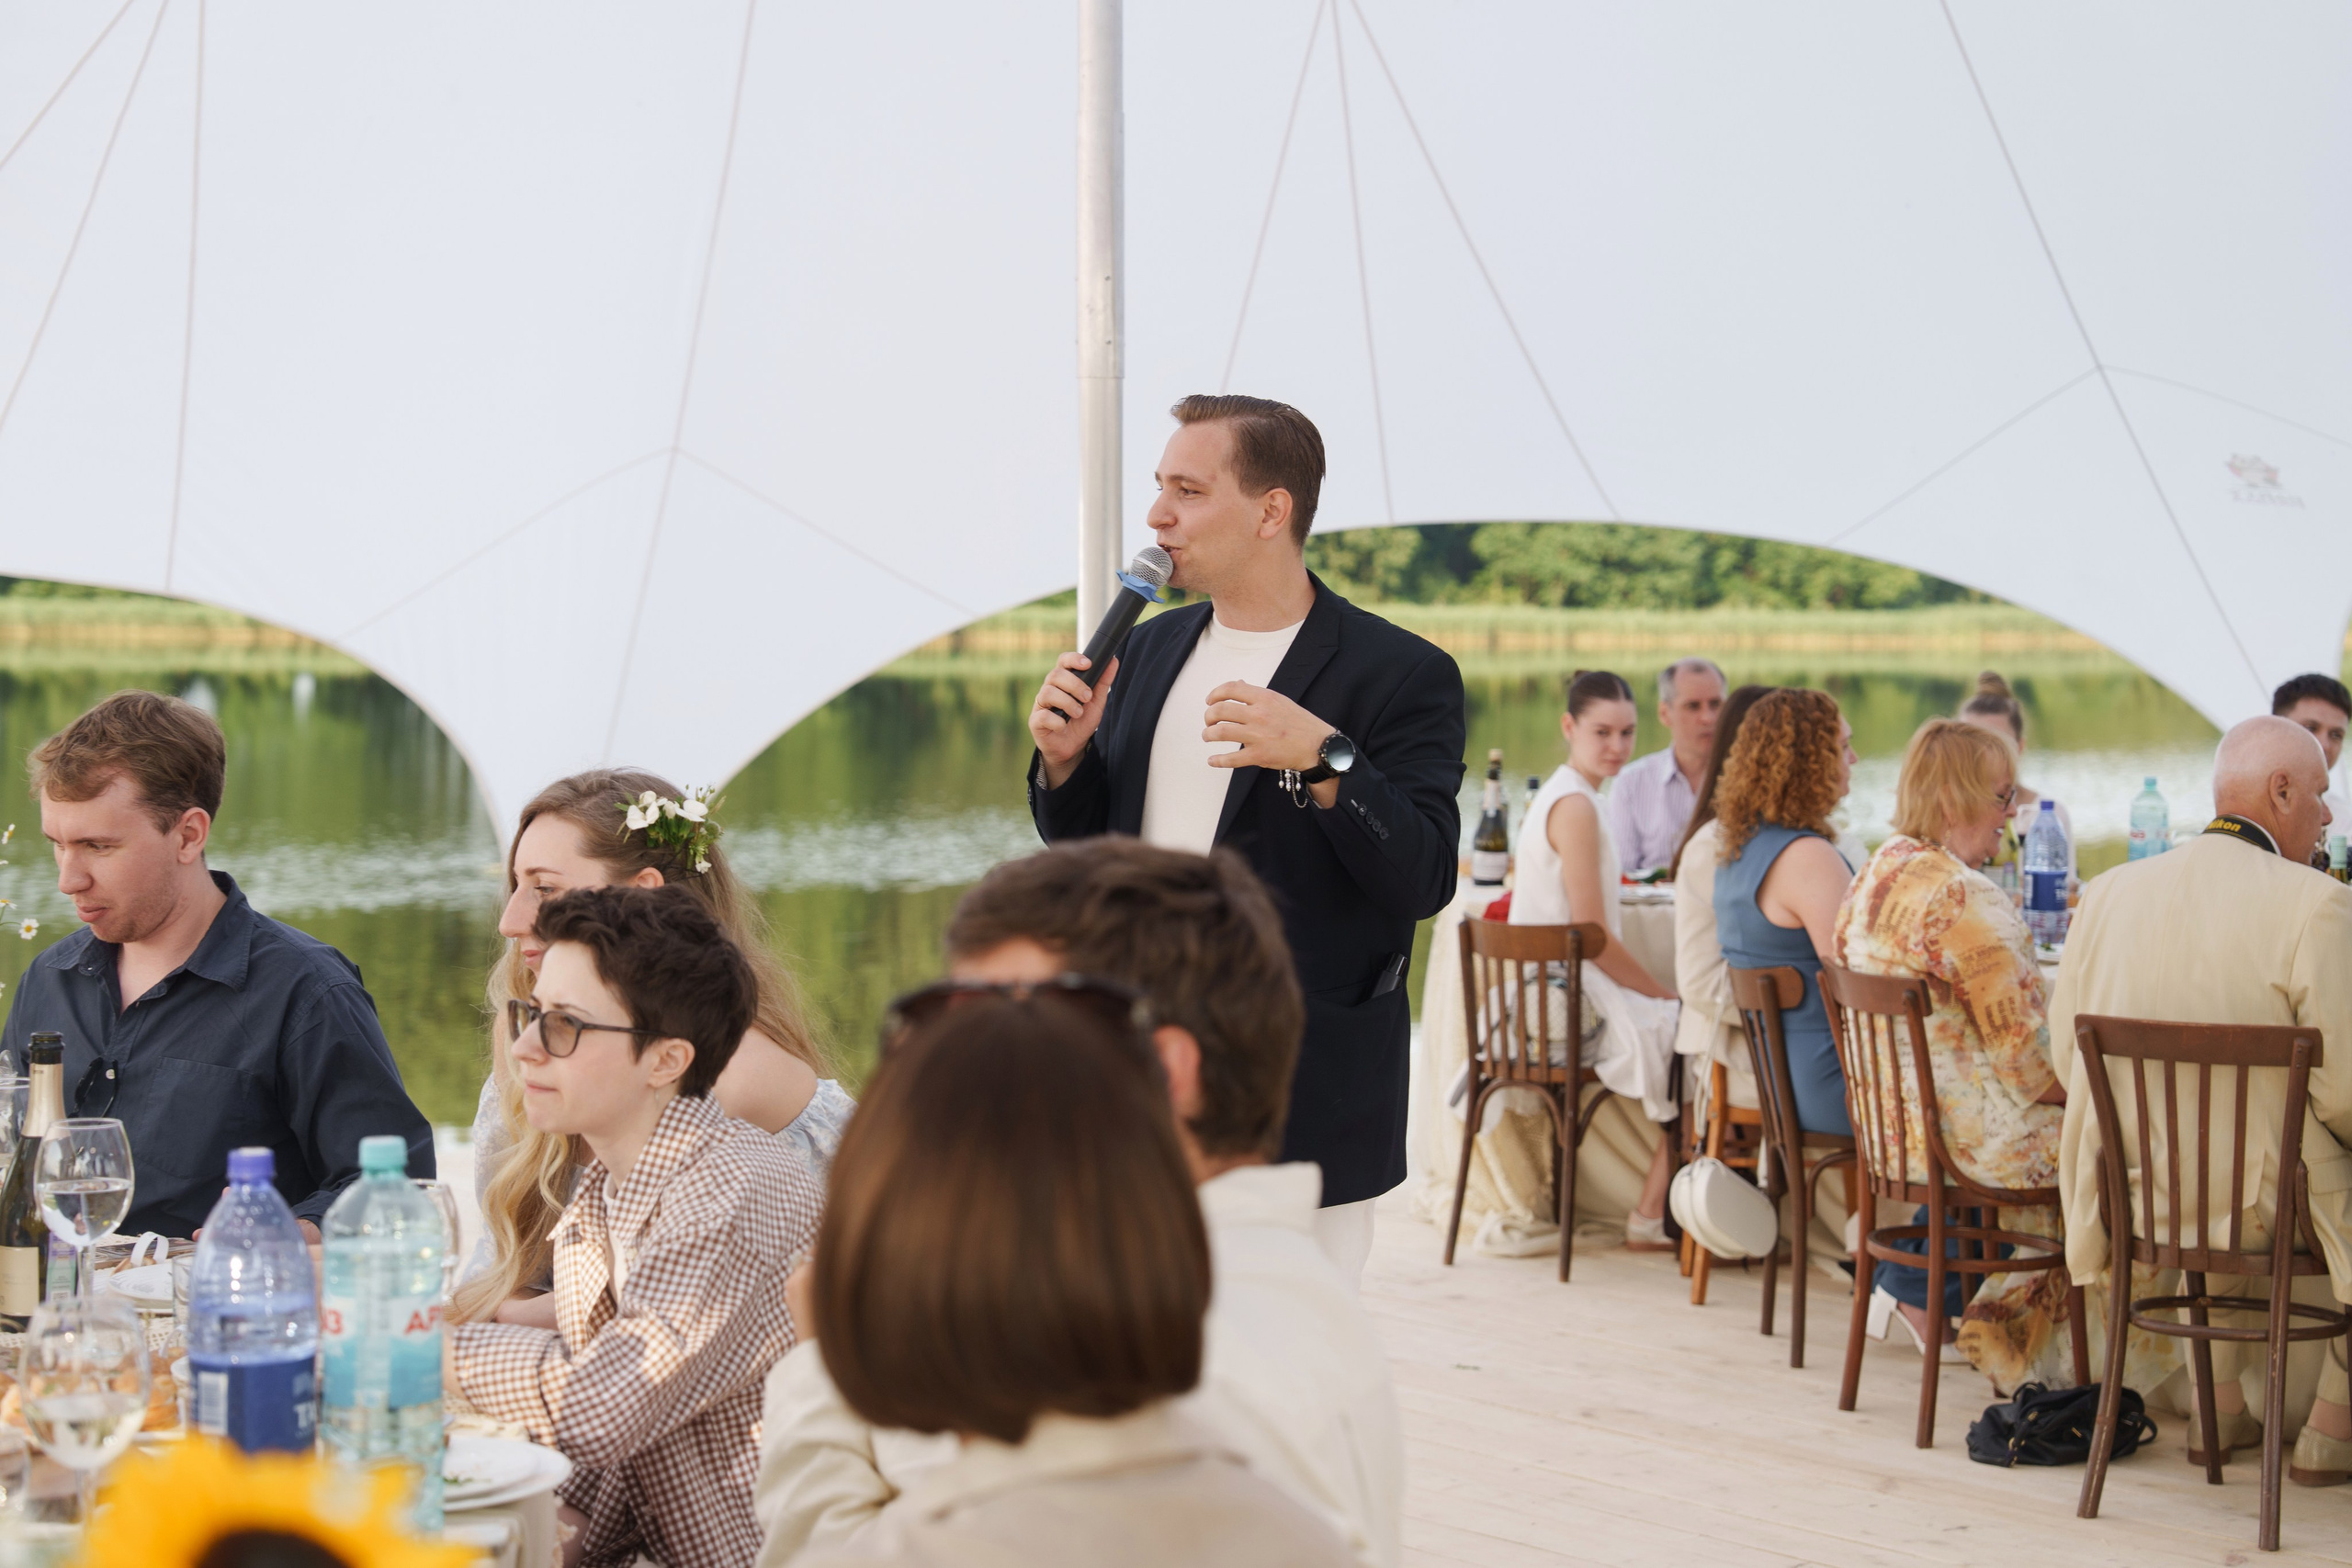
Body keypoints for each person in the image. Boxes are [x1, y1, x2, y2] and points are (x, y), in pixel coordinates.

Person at [754, 839, 1402, 1567]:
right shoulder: (1244, 1291)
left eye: (1004, 1037)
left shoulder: (1194, 1362)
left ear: (1161, 1071)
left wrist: (827, 1376)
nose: (962, 1080)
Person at [1026, 394, 1464, 1284]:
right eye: (1158, 488)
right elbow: (1088, 855)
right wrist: (1064, 766)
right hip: (1137, 1067)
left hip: (1306, 1084)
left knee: (1289, 1366)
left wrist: (1323, 755)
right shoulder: (1147, 653)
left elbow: (1420, 877)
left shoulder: (1401, 673)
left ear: (1273, 511)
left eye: (1186, 490)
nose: (1156, 515)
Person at [447, 885, 821, 1568]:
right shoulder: (606, 1194)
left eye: (565, 1024)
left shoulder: (729, 1192)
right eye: (531, 1013)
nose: (525, 1047)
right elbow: (621, 1465)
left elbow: (606, 1405)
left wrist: (413, 1351)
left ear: (666, 1060)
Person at [0, 690, 431, 1238]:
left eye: (97, 846)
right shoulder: (48, 978)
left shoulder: (308, 992)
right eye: (57, 845)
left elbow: (399, 1187)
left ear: (188, 834)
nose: (68, 879)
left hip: (226, 1308)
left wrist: (297, 1229)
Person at [2050, 716, 2352, 1483]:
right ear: (2280, 792)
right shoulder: (2316, 903)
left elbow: (2068, 1057)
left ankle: (2217, 1407)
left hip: (2141, 1194)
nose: (2330, 812)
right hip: (2264, 1204)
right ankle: (2331, 1428)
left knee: (2222, 1155)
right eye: (2321, 792)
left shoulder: (2109, 893)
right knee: (2295, 1154)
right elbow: (2347, 1094)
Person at [456, 769, 847, 1325]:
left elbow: (626, 1299)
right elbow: (504, 1269)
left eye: (544, 889)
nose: (510, 919)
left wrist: (471, 1324)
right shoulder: (530, 1036)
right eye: (516, 885)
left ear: (641, 896)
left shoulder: (721, 1071)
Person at [1836, 718, 2091, 1386]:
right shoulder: (1963, 897)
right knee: (2121, 1143)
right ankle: (2024, 1332)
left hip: (1893, 1137)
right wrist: (2107, 1090)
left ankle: (2014, 1321)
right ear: (1954, 801)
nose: (2012, 817)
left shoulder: (1874, 874)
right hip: (1967, 1143)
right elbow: (2033, 1067)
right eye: (2003, 798)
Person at [1510, 671, 1679, 1250]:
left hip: (1553, 983)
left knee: (1686, 1028)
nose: (1617, 746)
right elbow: (1592, 934)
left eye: (1628, 734)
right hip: (1563, 996)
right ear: (1568, 726)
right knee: (1695, 1035)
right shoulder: (1577, 807)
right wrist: (1661, 994)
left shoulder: (1566, 794)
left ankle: (1657, 1207)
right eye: (1602, 732)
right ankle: (1653, 1212)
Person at [1713, 689, 1857, 1142]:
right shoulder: (1808, 857)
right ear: (1811, 761)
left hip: (1782, 1085)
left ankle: (1924, 1217)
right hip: (1834, 1087)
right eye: (1843, 747)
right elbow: (1860, 980)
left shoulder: (1739, 851)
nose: (1853, 760)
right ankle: (1937, 1216)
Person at [1668, 683, 1778, 1099]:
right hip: (1736, 1045)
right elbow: (1698, 982)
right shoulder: (1714, 845)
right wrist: (1798, 1001)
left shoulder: (1804, 841)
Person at [1609, 656, 1726, 874]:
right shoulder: (1631, 783)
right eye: (1693, 706)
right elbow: (1622, 875)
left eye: (1716, 704)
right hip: (1654, 906)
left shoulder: (1748, 779)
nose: (1708, 718)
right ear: (1664, 713)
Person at [1959, 671, 2075, 887]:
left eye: (1997, 744)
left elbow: (2064, 890)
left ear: (2020, 748)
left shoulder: (2049, 815)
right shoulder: (1945, 816)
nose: (1982, 755)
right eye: (1970, 744)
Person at [2272, 671, 2352, 830]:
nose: (2325, 745)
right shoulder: (2239, 811)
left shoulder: (2347, 824)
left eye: (2336, 735)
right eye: (2310, 728)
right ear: (2276, 729)